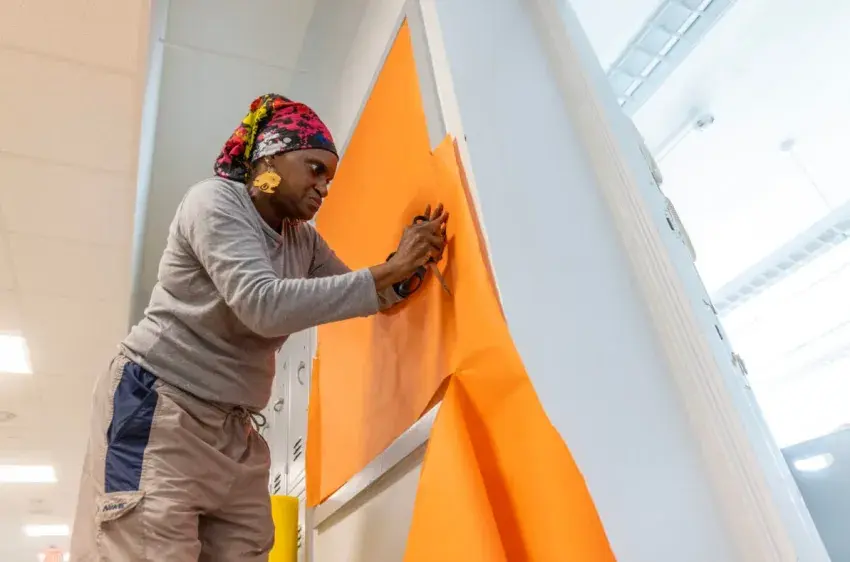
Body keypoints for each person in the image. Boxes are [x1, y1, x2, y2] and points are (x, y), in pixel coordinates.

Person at [70, 94, 449, 561]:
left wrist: (408, 264)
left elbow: (363, 293)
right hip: (161, 404)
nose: (324, 187)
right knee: (150, 548)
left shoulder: (302, 240)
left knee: (246, 547)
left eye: (330, 178)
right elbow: (261, 305)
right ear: (270, 157)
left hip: (233, 426)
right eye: (315, 169)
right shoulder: (213, 202)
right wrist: (388, 272)